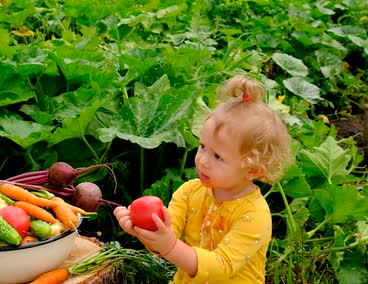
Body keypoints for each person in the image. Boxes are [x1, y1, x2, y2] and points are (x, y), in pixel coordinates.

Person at [114, 75, 293, 283]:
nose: (203, 161)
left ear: (252, 170)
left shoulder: (254, 215)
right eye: (202, 147)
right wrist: (145, 230)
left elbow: (221, 267)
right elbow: (165, 238)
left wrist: (170, 245)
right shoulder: (190, 191)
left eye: (218, 156)